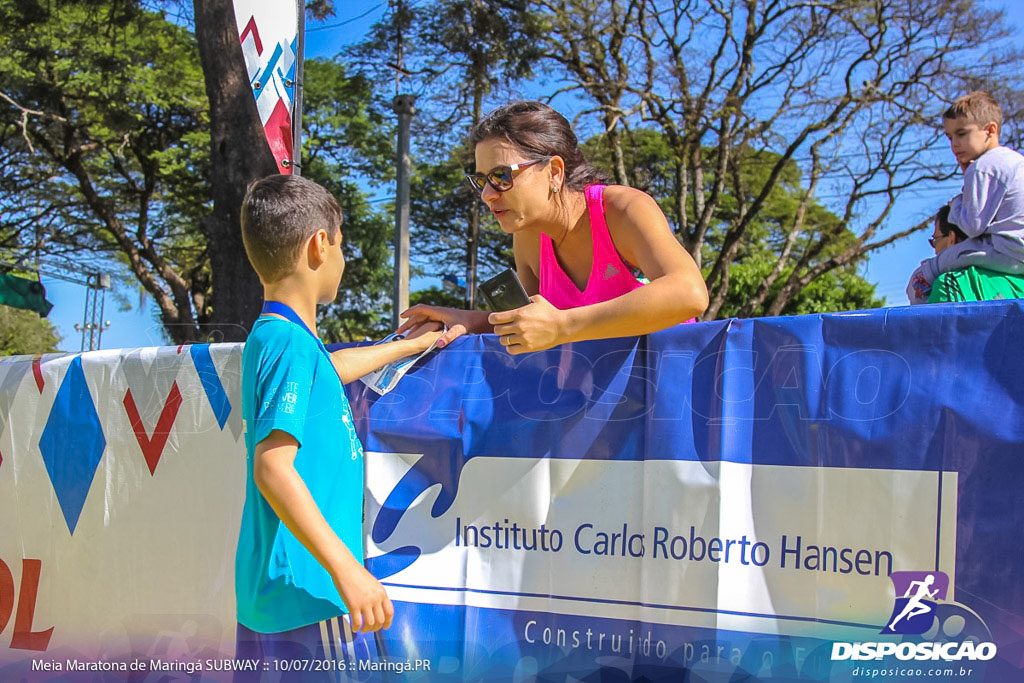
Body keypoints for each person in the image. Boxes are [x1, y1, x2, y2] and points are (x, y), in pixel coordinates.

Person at [234, 174, 441, 679]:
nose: (344, 260)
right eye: (342, 246)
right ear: (319, 244)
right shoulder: (289, 345)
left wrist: (409, 345)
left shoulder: (280, 338)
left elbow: (332, 371)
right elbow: (273, 468)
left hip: (279, 592)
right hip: (310, 594)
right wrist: (347, 570)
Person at [398, 101, 708, 353]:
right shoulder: (527, 237)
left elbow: (689, 293)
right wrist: (467, 320)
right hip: (599, 406)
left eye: (501, 176)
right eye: (481, 180)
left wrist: (563, 327)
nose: (487, 194)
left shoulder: (622, 210)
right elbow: (534, 329)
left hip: (671, 394)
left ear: (555, 172)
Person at [907, 91, 1024, 304]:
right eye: (950, 137)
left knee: (931, 269)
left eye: (962, 134)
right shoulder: (1015, 161)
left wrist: (957, 204)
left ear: (990, 130)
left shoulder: (982, 167)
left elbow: (973, 226)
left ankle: (923, 307)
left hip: (1006, 251)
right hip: (1017, 252)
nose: (955, 144)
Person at [926, 204, 1024, 303]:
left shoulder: (949, 285)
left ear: (952, 237)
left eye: (935, 240)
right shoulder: (1019, 279)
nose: (935, 250)